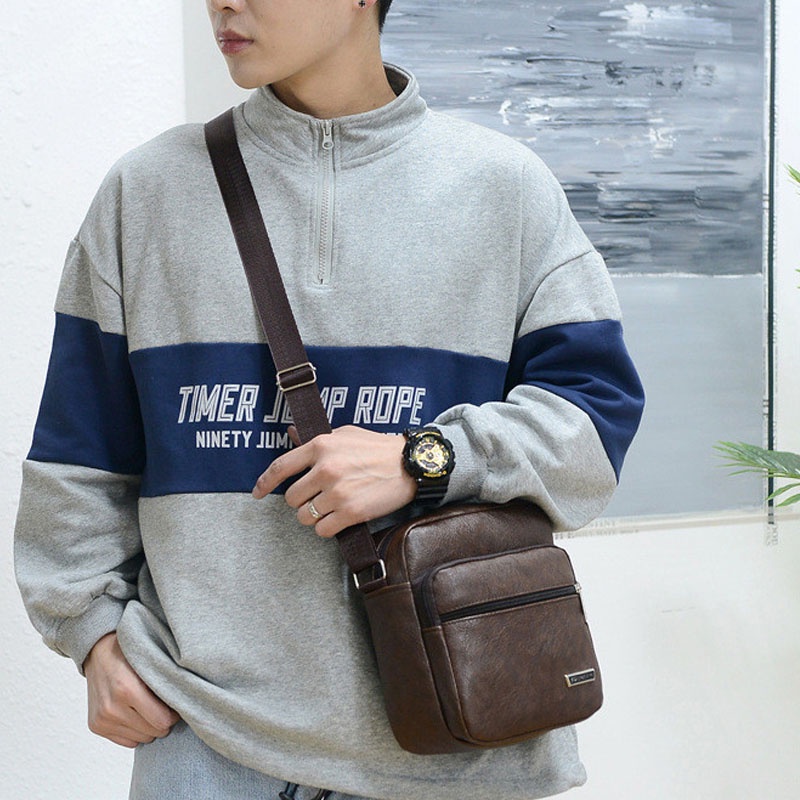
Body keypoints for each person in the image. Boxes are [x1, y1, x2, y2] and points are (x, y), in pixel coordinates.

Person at [14, 0, 644, 798]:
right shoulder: (146, 193)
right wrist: (95, 638)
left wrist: (424, 460)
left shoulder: (505, 189)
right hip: (205, 742)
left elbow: (593, 427)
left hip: (459, 740)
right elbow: (79, 458)